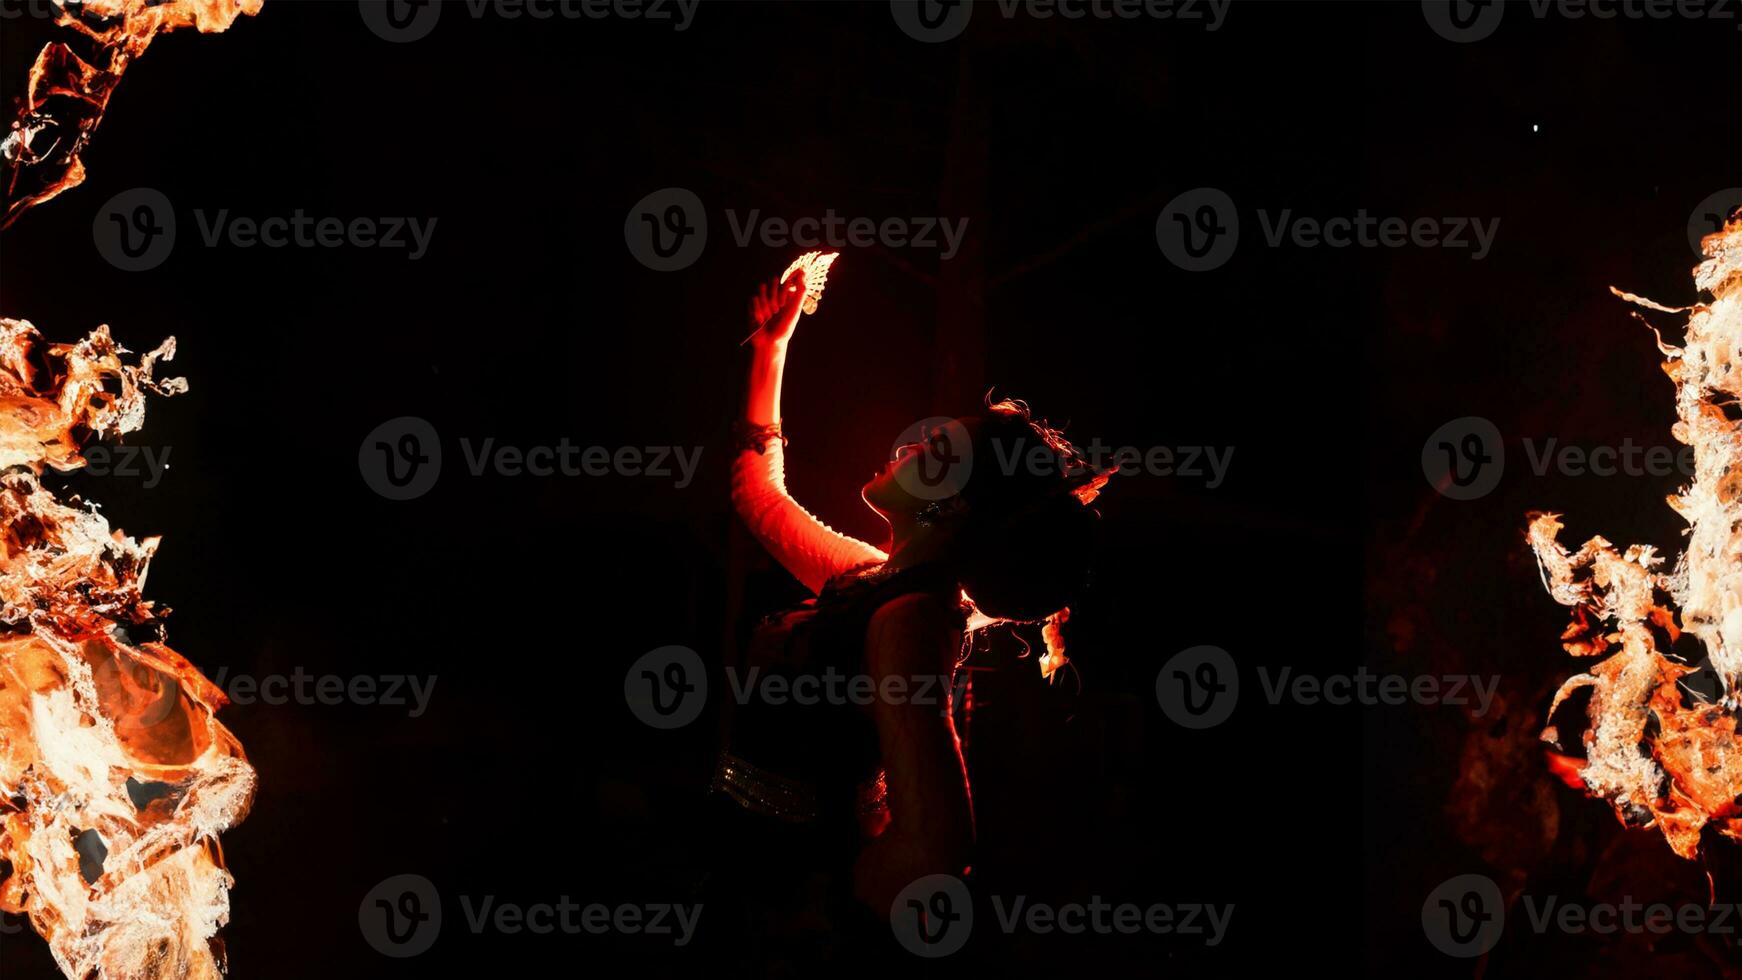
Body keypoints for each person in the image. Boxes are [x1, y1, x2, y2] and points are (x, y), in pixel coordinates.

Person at [698, 260, 1108, 971]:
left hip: (789, 920)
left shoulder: (910, 620)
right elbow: (758, 498)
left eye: (939, 451)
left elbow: (939, 844)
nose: (912, 443)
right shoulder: (874, 580)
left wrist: (835, 903)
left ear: (950, 505)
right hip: (754, 878)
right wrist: (773, 348)